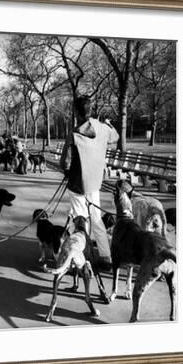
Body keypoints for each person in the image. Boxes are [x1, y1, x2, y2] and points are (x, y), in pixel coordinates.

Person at [60, 95, 119, 266]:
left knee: (80, 221)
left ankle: (82, 260)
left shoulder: (74, 134)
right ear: (91, 110)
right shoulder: (102, 128)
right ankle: (106, 256)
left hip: (78, 184)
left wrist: (66, 171)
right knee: (96, 218)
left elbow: (65, 162)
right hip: (95, 182)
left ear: (76, 112)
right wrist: (106, 123)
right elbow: (114, 136)